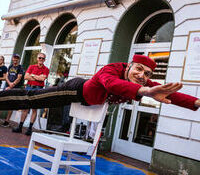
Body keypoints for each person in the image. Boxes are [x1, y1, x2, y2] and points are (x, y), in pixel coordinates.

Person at [0, 54, 200, 112]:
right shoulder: (112, 69)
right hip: (75, 91)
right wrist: (145, 91)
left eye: (147, 74)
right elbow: (112, 85)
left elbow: (170, 93)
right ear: (129, 66)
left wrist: (196, 102)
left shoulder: (144, 83)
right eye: (138, 69)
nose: (141, 75)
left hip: (88, 102)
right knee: (32, 99)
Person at [12, 52, 49, 135]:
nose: (41, 60)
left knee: (34, 109)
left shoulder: (46, 69)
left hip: (38, 89)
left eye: (43, 58)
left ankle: (29, 129)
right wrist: (37, 77)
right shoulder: (31, 66)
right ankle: (20, 127)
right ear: (37, 58)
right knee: (25, 108)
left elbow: (42, 79)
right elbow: (25, 77)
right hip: (29, 87)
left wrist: (32, 75)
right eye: (40, 58)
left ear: (44, 60)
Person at [1, 54, 24, 127]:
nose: (15, 59)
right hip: (8, 86)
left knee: (11, 104)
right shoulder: (10, 66)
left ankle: (7, 121)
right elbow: (7, 76)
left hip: (15, 88)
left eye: (17, 58)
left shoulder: (20, 67)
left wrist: (12, 85)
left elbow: (19, 78)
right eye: (14, 58)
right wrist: (9, 84)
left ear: (18, 59)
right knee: (2, 101)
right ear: (12, 58)